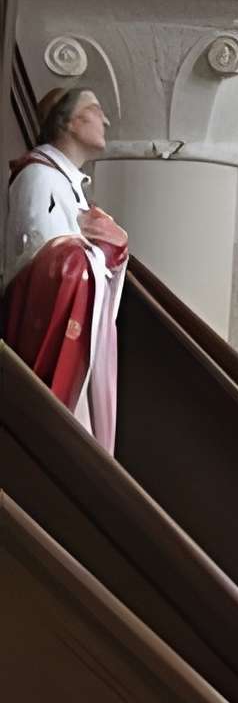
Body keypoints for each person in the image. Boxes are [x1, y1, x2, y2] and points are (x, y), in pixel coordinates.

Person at [3, 84, 128, 449]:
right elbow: (44, 264)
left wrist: (113, 248)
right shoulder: (39, 176)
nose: (104, 118)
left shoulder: (66, 183)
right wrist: (102, 247)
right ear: (71, 122)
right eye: (96, 108)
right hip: (44, 329)